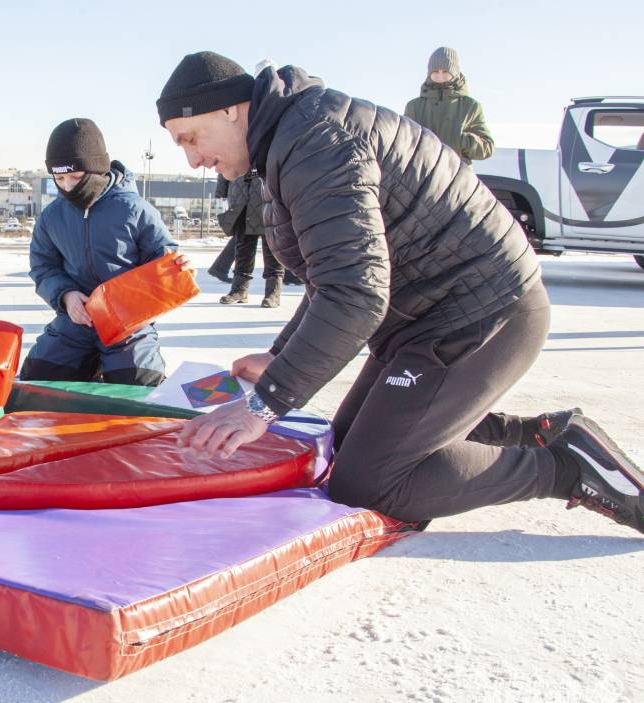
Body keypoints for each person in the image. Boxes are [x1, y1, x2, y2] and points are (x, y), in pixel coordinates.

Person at [155, 51, 642, 534]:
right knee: (345, 445)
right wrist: (278, 358)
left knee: (371, 483)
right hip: (428, 318)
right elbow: (337, 272)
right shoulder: (289, 141)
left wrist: (265, 403)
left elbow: (355, 293)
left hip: (483, 312)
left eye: (191, 138)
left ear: (230, 109)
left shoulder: (316, 143)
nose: (194, 159)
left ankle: (566, 469)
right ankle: (539, 435)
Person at [20, 118, 188, 386]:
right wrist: (66, 296)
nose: (67, 187)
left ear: (97, 169)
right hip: (76, 322)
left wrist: (172, 270)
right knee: (36, 379)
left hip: (128, 326)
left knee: (139, 384)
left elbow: (162, 260)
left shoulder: (135, 210)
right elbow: (43, 267)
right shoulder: (52, 216)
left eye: (76, 177)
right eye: (59, 178)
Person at [403, 47, 494, 164]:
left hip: (457, 176)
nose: (440, 75)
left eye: (445, 71)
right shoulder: (414, 106)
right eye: (435, 71)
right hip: (422, 177)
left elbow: (487, 147)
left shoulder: (471, 106)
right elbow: (403, 142)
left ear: (455, 72)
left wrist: (463, 141)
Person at [213, 170, 283, 307]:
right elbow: (225, 157)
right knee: (243, 246)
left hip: (268, 195)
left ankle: (273, 292)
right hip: (240, 196)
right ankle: (239, 290)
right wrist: (221, 189)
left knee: (272, 247)